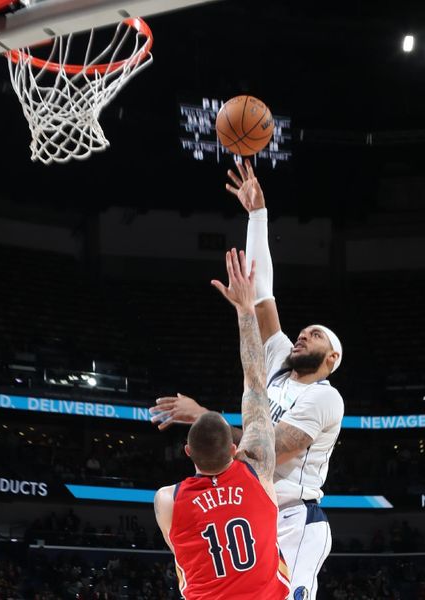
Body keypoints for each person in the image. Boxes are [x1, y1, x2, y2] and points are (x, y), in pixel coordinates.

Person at [150, 160, 344, 600]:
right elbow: (261, 299)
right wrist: (258, 215)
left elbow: (269, 449)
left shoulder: (326, 399)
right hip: (252, 506)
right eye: (300, 332)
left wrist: (203, 416)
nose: (300, 335)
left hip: (295, 518)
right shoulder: (277, 364)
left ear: (331, 357)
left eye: (312, 335)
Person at [152, 249, 290, 600]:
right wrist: (245, 310)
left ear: (187, 451)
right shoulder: (257, 468)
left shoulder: (167, 499)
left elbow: (183, 553)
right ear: (234, 448)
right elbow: (255, 384)